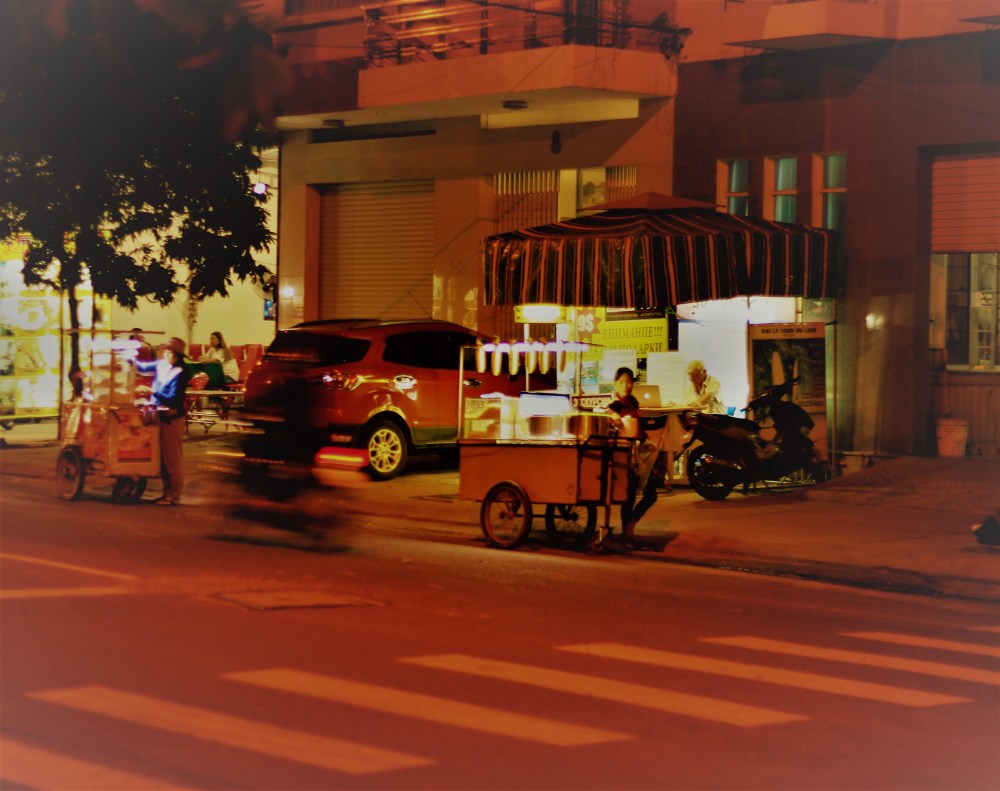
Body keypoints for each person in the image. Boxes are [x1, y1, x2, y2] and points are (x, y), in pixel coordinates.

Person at [606, 367, 659, 548]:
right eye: (621, 381)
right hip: (623, 455)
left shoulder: (634, 402)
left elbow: (639, 428)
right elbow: (609, 413)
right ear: (615, 383)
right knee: (627, 497)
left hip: (638, 454)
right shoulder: (614, 403)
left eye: (629, 381)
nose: (625, 385)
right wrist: (614, 416)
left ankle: (629, 527)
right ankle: (626, 533)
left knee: (651, 495)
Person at [136, 337, 190, 506]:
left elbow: (174, 399)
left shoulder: (181, 373)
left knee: (171, 459)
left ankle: (173, 494)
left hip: (171, 419)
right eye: (164, 351)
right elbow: (143, 368)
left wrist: (152, 391)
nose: (165, 354)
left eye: (168, 351)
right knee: (162, 458)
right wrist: (129, 358)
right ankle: (167, 492)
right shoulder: (161, 365)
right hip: (159, 415)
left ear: (176, 355)